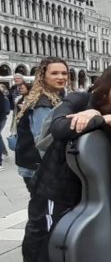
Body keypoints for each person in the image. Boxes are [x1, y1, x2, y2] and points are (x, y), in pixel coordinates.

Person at [21, 65, 111, 262]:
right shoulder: (79, 99)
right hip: (56, 183)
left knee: (73, 235)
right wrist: (102, 119)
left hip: (89, 188)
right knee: (45, 231)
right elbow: (60, 127)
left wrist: (101, 118)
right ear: (105, 84)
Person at [15, 57, 68, 192]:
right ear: (43, 76)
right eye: (54, 73)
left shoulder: (53, 96)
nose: (61, 77)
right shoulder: (42, 103)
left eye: (64, 73)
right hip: (38, 167)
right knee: (44, 210)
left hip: (36, 164)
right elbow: (43, 141)